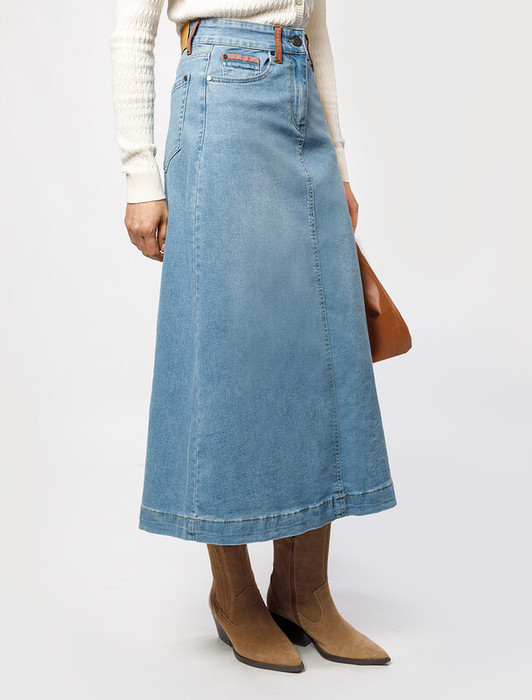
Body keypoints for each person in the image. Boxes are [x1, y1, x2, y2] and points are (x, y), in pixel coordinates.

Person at [110, 0, 397, 673]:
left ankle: (304, 592)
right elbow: (132, 29)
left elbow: (314, 28)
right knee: (228, 351)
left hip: (301, 100)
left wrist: (340, 161)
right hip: (220, 94)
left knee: (318, 348)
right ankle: (233, 594)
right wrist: (140, 172)